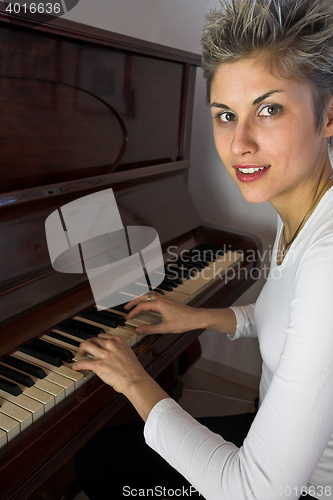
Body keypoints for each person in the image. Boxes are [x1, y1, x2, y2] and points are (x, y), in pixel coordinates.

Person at [72, 0, 333, 498]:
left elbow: (256, 492)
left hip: (305, 488)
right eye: (226, 115)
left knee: (102, 466)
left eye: (269, 109)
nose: (240, 143)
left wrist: (135, 383)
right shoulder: (304, 205)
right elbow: (284, 316)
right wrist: (200, 318)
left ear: (328, 116)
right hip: (273, 437)